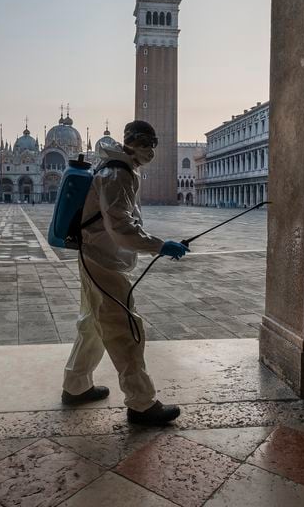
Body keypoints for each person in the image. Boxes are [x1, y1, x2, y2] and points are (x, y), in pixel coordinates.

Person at [62, 120, 189, 426]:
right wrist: (160, 246)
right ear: (129, 142)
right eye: (144, 142)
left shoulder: (117, 168)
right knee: (125, 328)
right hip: (102, 260)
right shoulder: (117, 173)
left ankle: (75, 386)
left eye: (153, 143)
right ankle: (141, 404)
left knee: (92, 323)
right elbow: (120, 229)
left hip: (96, 256)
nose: (150, 149)